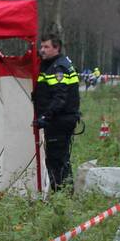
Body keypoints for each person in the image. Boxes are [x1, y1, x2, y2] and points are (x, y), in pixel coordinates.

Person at [33, 34, 81, 191]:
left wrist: (45, 117)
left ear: (56, 48)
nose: (42, 50)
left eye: (46, 47)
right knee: (61, 159)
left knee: (56, 160)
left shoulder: (58, 68)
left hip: (59, 121)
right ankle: (65, 192)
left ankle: (61, 194)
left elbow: (60, 98)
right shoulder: (54, 64)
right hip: (61, 120)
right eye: (41, 47)